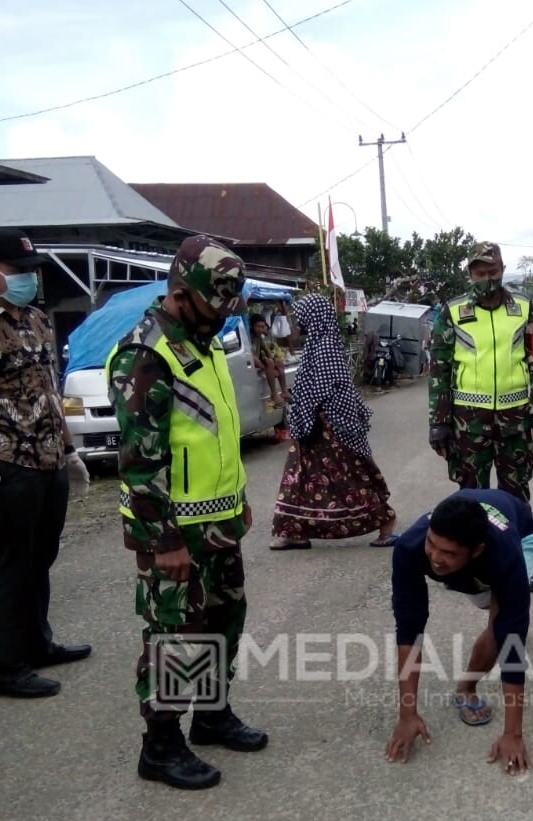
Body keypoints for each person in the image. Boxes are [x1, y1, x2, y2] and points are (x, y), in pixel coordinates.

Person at [107, 235, 267, 791]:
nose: (221, 317)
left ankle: (213, 714)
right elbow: (140, 461)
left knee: (223, 618)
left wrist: (237, 497)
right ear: (181, 293)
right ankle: (162, 743)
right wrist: (163, 540)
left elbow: (214, 433)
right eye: (213, 306)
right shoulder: (146, 355)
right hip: (173, 529)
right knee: (174, 631)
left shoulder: (204, 343)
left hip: (218, 521)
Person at [0, 227, 92, 699]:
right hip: (5, 464)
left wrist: (69, 450)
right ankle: (5, 668)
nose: (28, 279)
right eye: (16, 271)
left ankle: (37, 643)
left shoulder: (36, 319)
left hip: (47, 460)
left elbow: (50, 389)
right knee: (10, 565)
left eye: (31, 270)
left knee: (40, 557)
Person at [386, 490, 533, 773]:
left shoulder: (506, 557)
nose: (436, 558)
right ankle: (479, 585)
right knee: (418, 613)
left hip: (517, 534)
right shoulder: (410, 546)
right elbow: (409, 629)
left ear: (477, 550)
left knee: (502, 627)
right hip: (472, 566)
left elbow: (512, 644)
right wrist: (407, 714)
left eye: (448, 553)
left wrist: (513, 734)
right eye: (432, 544)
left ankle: (467, 687)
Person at [269, 294, 398, 550]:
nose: (299, 321)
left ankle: (386, 523)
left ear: (314, 317)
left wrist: (310, 413)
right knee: (303, 477)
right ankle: (295, 531)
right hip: (313, 426)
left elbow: (327, 388)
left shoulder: (326, 344)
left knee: (350, 475)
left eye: (303, 315)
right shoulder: (318, 343)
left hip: (331, 426)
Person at [428, 242, 533, 503]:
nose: (487, 279)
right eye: (480, 274)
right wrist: (438, 422)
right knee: (471, 499)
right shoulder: (452, 312)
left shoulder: (524, 307)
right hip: (468, 421)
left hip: (516, 419)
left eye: (493, 272)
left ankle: (516, 543)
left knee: (516, 495)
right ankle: (477, 544)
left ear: (503, 269)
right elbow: (439, 370)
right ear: (470, 275)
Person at [249, 313, 290, 407]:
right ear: (252, 326)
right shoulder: (248, 336)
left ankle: (284, 391)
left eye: (262, 326)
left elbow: (266, 350)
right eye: (258, 326)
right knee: (269, 362)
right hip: (252, 363)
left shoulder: (259, 337)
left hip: (260, 362)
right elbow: (252, 357)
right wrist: (267, 367)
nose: (260, 329)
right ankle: (274, 394)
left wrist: (275, 364)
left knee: (278, 361)